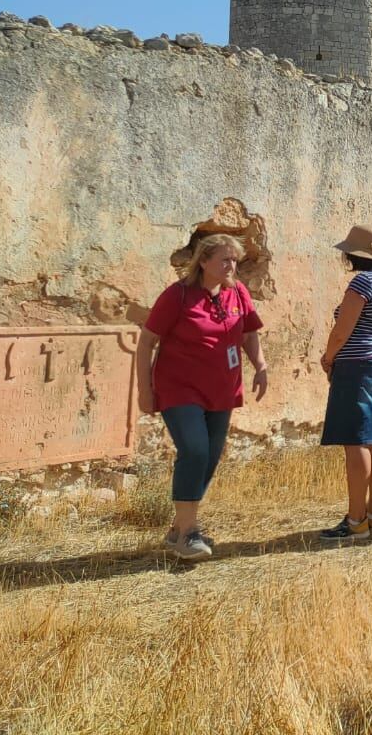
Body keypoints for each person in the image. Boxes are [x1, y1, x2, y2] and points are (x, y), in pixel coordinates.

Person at [136, 233, 270, 561]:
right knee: (194, 450)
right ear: (204, 261)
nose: (231, 266)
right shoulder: (177, 296)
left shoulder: (237, 292)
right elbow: (146, 342)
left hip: (223, 388)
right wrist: (144, 390)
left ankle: (179, 528)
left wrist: (261, 365)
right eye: (225, 259)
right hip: (179, 387)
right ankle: (189, 533)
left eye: (235, 260)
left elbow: (249, 333)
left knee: (209, 457)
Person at [318, 225, 372, 541]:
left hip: (357, 366)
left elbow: (342, 330)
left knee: (356, 442)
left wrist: (328, 357)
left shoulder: (363, 282)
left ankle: (355, 521)